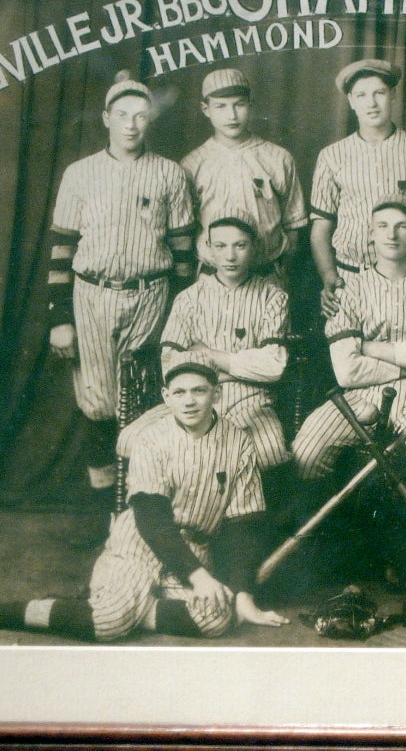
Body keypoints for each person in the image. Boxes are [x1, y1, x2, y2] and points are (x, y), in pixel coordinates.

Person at [0, 361, 289, 642]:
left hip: (194, 546)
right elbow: (152, 519)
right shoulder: (152, 439)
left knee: (218, 619)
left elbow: (245, 523)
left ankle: (101, 605)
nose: (189, 401)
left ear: (216, 394)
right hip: (141, 541)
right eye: (179, 392)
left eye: (199, 391)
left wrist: (242, 595)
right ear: (166, 397)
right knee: (108, 624)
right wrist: (202, 578)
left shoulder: (238, 441)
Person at [292, 192, 406, 582]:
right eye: (382, 226)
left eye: (403, 226)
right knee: (306, 452)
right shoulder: (348, 289)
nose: (392, 235)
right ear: (370, 236)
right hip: (358, 396)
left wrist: (373, 349)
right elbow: (347, 372)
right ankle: (332, 560)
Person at [46, 71, 195, 527]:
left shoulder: (170, 173)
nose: (132, 124)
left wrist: (181, 311)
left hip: (151, 294)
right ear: (106, 117)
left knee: (146, 404)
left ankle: (143, 512)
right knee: (98, 405)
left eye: (141, 116)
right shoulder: (80, 173)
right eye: (123, 115)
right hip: (91, 295)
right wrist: (59, 317)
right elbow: (61, 250)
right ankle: (103, 514)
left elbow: (185, 250)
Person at [120, 208, 291, 473]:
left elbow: (273, 367)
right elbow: (170, 362)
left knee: (269, 450)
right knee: (132, 439)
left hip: (250, 399)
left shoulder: (273, 297)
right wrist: (236, 369)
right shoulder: (190, 297)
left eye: (240, 245)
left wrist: (207, 354)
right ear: (208, 248)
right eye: (221, 246)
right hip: (193, 398)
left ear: (254, 247)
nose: (230, 256)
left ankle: (242, 513)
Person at [310, 59, 406, 317]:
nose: (371, 103)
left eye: (379, 93)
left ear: (393, 95)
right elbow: (320, 230)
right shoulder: (331, 156)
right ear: (350, 101)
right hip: (351, 278)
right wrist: (329, 277)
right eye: (361, 95)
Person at [180, 68, 307, 286]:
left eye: (239, 104)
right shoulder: (191, 165)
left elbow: (294, 225)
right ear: (206, 109)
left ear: (251, 105)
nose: (232, 115)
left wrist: (280, 270)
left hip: (267, 277)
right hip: (211, 280)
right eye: (221, 106)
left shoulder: (278, 158)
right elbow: (185, 233)